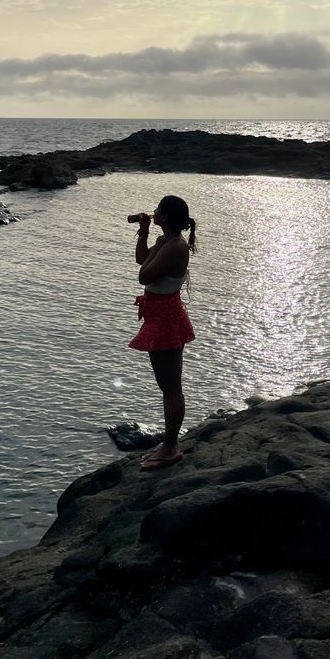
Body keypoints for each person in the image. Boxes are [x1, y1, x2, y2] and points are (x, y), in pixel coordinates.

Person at [129, 195, 196, 470]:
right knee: (166, 386)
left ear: (166, 216)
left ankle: (170, 448)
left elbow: (144, 276)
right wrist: (145, 233)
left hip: (166, 318)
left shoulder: (175, 246)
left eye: (157, 209)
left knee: (171, 388)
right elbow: (140, 260)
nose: (153, 211)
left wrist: (155, 247)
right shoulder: (165, 242)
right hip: (160, 315)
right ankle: (169, 443)